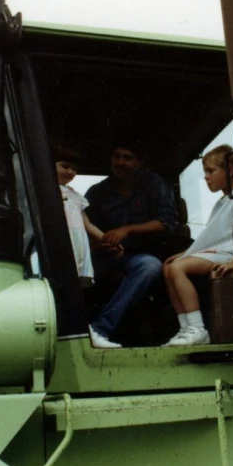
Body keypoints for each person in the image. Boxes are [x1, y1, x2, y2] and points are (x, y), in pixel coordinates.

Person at [84, 142, 180, 348]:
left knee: (150, 266)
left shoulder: (153, 184)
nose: (120, 162)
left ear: (139, 162)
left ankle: (100, 329)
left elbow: (167, 222)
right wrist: (100, 245)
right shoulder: (96, 192)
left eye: (127, 158)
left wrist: (127, 230)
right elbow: (83, 230)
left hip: (140, 255)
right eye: (116, 156)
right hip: (104, 257)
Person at [162, 144, 233, 346]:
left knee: (178, 268)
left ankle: (198, 329)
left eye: (211, 171)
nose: (206, 177)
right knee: (168, 267)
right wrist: (186, 252)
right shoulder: (223, 202)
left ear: (230, 171)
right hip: (220, 251)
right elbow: (212, 237)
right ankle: (185, 328)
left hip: (229, 253)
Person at [55, 157, 121, 283]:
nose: (70, 171)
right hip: (62, 240)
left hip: (79, 244)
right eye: (65, 166)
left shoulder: (75, 195)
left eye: (74, 169)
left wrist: (110, 241)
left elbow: (88, 225)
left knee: (78, 281)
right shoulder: (46, 191)